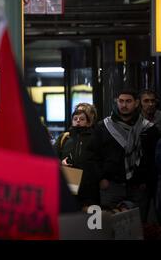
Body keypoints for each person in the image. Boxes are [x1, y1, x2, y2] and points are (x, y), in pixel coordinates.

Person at [88, 89, 159, 222]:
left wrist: (146, 181)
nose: (124, 105)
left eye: (128, 101)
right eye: (121, 101)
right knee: (109, 228)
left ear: (136, 103)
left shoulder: (149, 129)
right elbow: (93, 156)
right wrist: (101, 179)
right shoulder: (103, 127)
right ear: (117, 102)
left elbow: (153, 159)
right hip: (111, 186)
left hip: (139, 188)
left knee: (138, 228)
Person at [55, 109, 99, 207]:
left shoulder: (95, 138)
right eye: (75, 119)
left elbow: (100, 158)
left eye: (82, 119)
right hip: (69, 181)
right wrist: (61, 163)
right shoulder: (65, 138)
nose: (78, 121)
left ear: (88, 122)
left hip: (89, 184)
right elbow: (53, 156)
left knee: (89, 214)